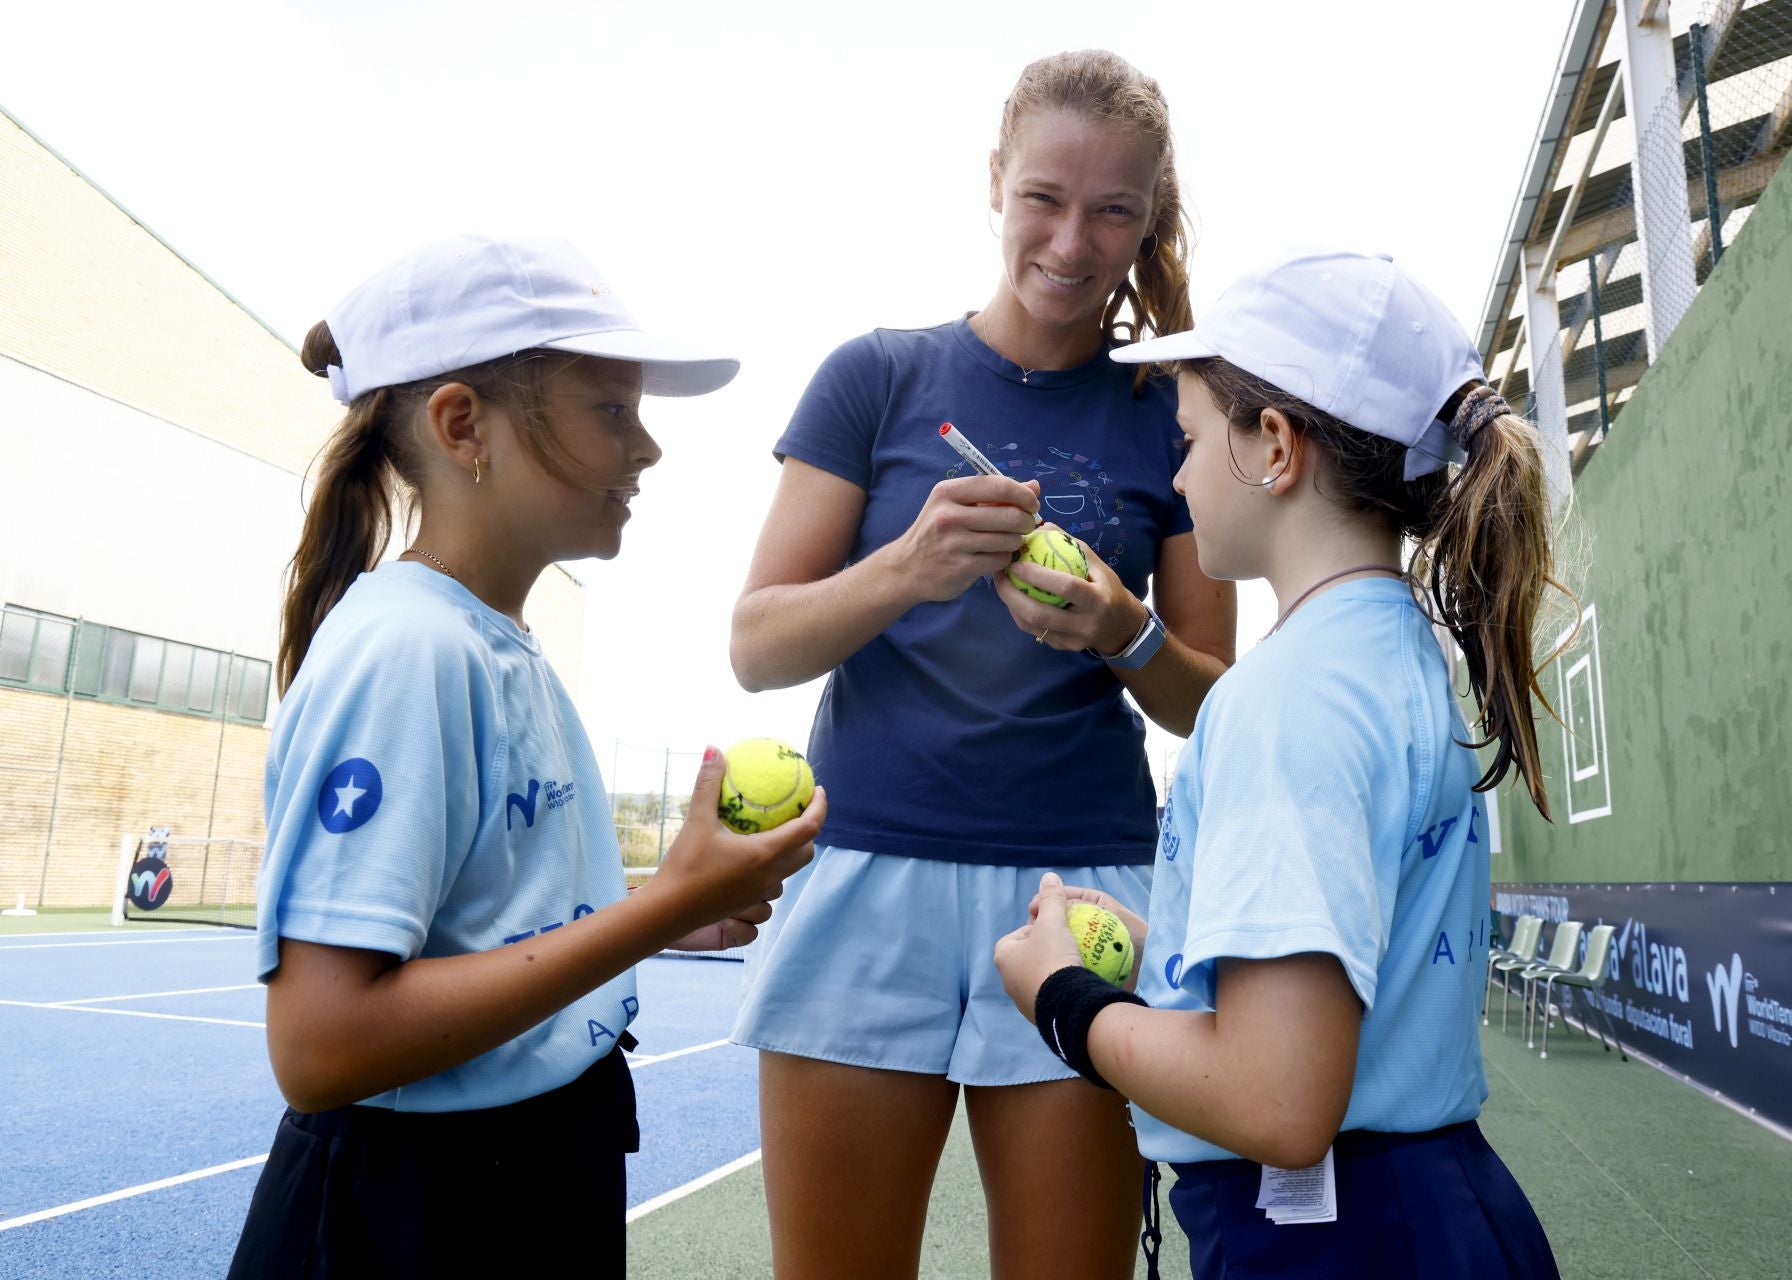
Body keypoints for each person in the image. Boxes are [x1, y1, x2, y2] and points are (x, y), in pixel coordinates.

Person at [727, 50, 1236, 1279]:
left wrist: (1124, 629)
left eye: (1115, 209)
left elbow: (1217, 701)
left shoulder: (1171, 411)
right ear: (994, 183)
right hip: (867, 876)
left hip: (1083, 896)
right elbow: (756, 644)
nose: (1073, 240)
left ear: (1149, 218)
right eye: (1045, 198)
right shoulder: (875, 375)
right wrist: (908, 565)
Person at [227, 234, 822, 1277]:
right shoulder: (410, 649)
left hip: (527, 1168)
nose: (647, 448)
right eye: (610, 410)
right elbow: (321, 1044)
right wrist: (659, 908)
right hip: (426, 1207)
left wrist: (659, 905)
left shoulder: (495, 643)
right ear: (464, 427)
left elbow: (486, 920)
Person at [995, 247, 1569, 1279]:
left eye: (1189, 440)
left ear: (1273, 446)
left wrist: (1066, 1000)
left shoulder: (1285, 698)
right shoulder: (1388, 656)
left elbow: (1277, 1099)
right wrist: (1172, 944)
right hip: (1433, 1208)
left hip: (1332, 1238)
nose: (1175, 476)